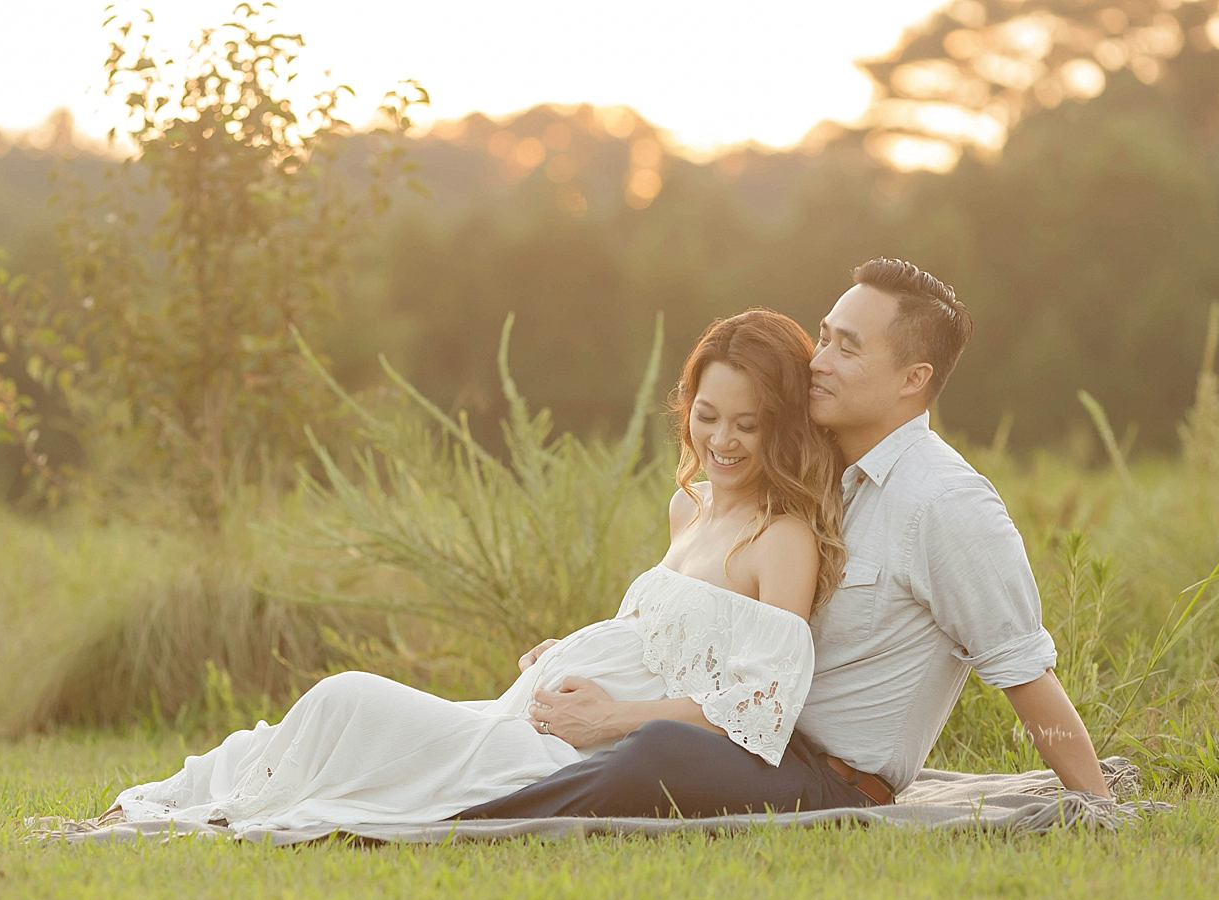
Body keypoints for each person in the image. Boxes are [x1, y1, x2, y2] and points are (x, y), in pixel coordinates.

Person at [104, 308, 845, 833]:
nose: (722, 439)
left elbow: (762, 702)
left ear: (782, 426)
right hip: (522, 710)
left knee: (347, 700)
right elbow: (662, 639)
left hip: (568, 750)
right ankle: (163, 802)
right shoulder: (690, 509)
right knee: (331, 719)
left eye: (748, 424)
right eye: (707, 414)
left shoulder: (780, 540)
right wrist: (571, 648)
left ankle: (192, 810)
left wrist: (611, 718)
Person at [459, 258, 1112, 821]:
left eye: (846, 349)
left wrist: (1101, 805)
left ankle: (461, 816)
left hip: (827, 782)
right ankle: (451, 771)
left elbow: (1025, 672)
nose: (818, 362)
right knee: (607, 734)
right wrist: (590, 657)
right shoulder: (808, 471)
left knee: (655, 749)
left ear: (913, 379)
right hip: (737, 743)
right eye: (824, 338)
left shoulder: (945, 504)